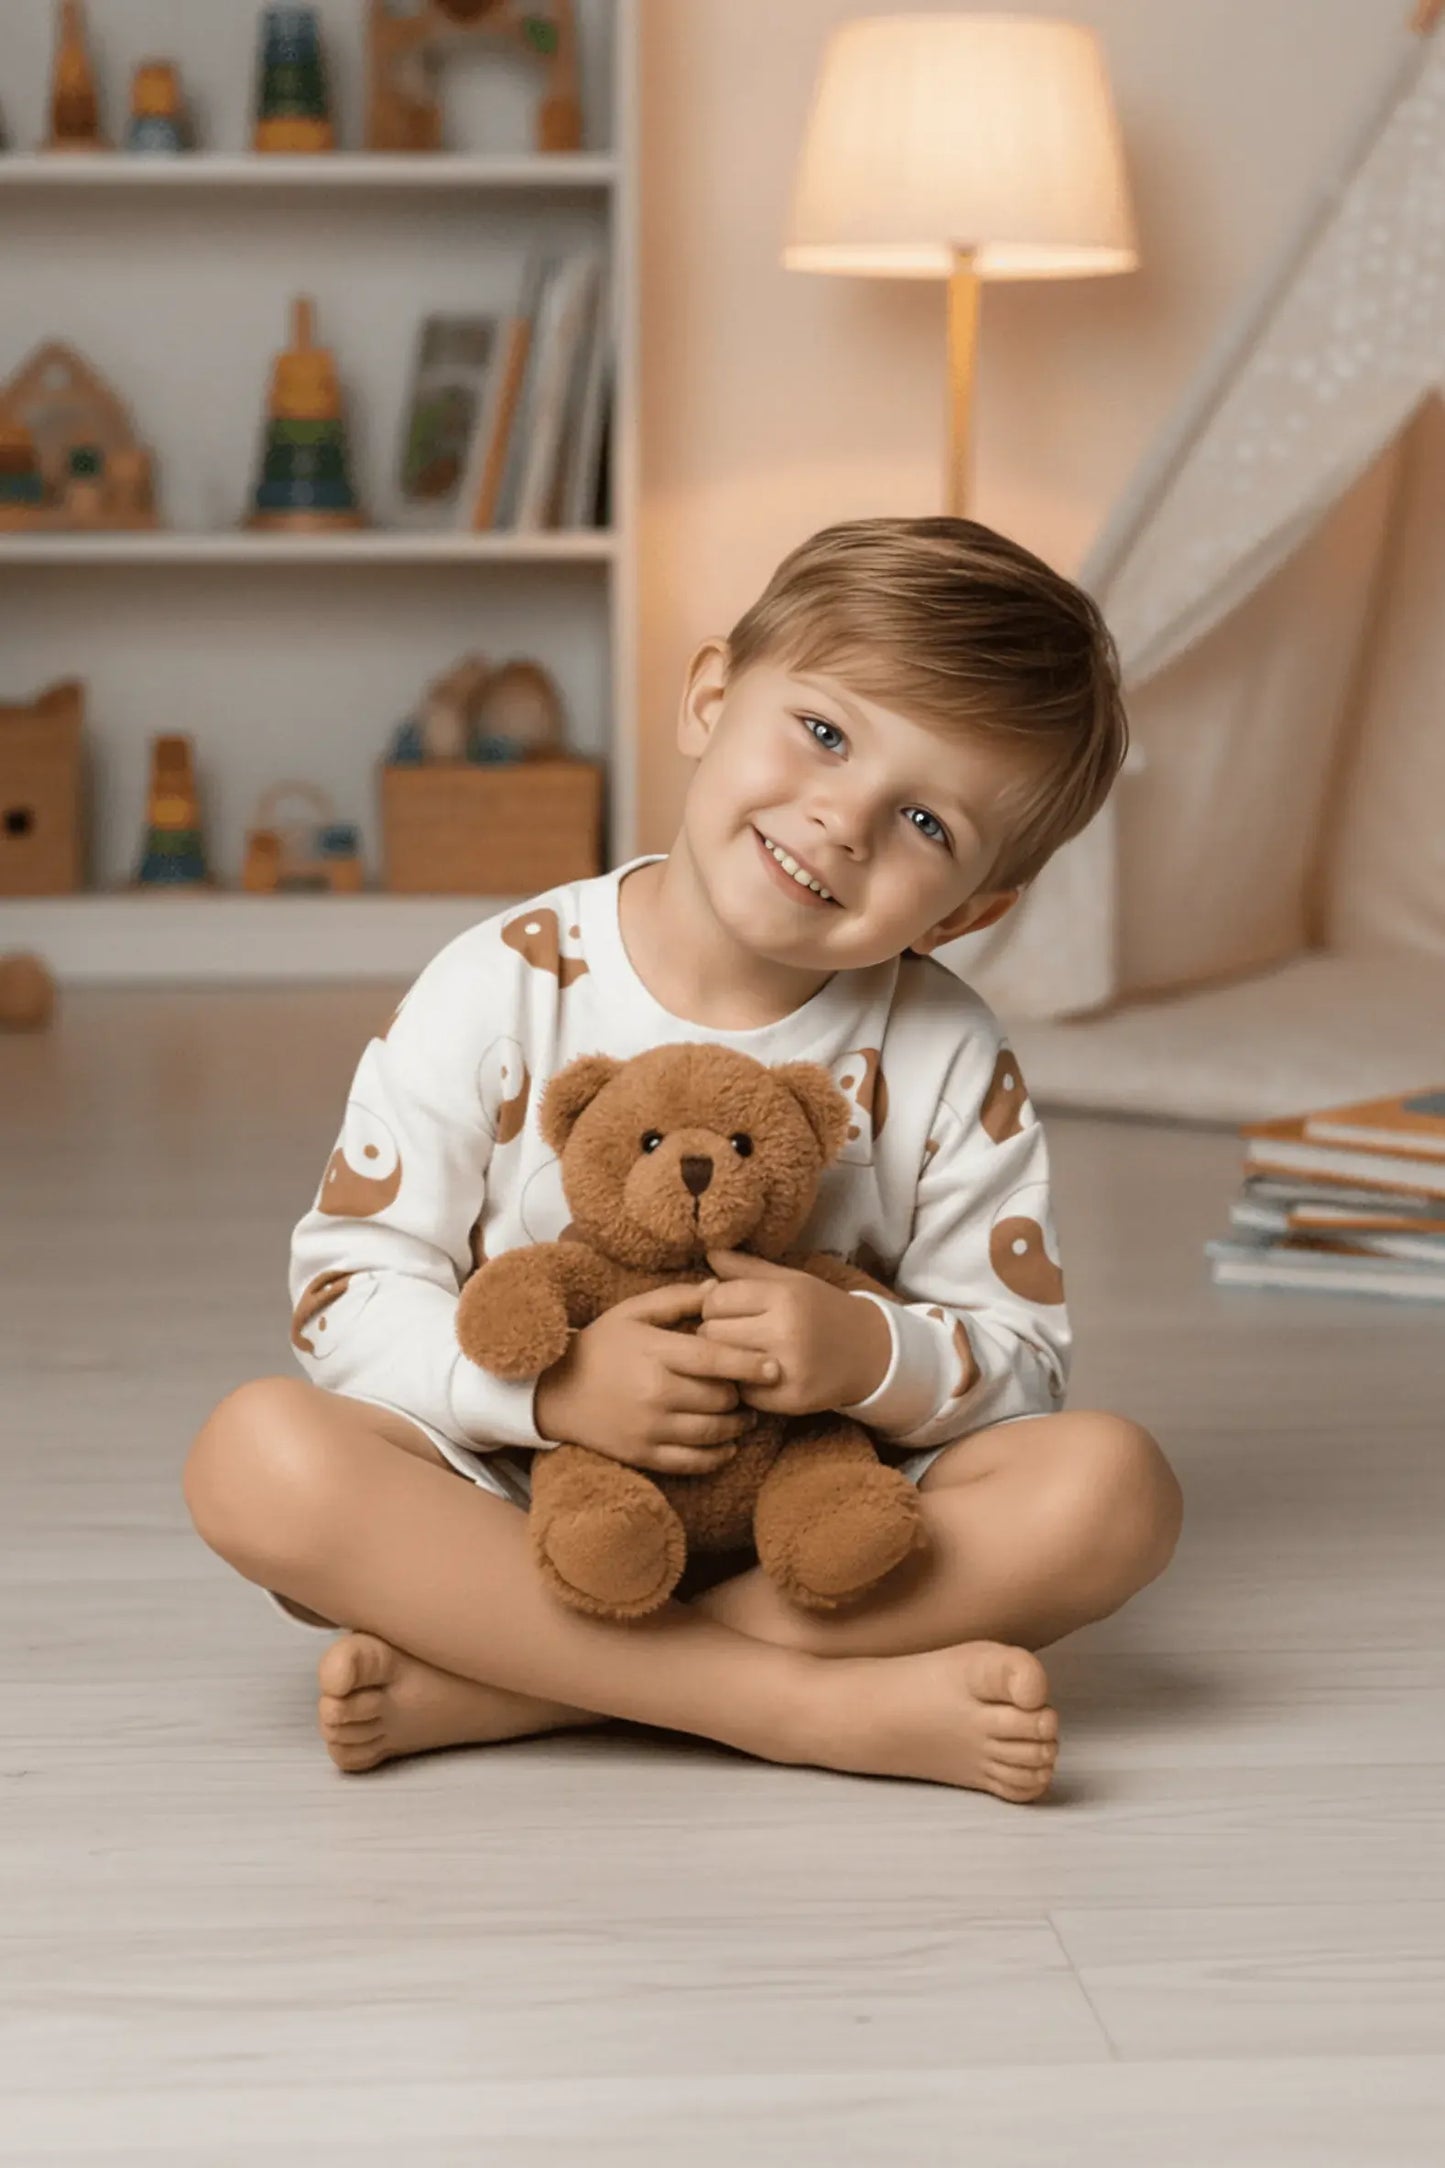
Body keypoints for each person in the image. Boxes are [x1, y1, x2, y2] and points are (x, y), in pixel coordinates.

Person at [183, 516, 1182, 1802]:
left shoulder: (942, 1048)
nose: (838, 820)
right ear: (711, 696)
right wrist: (550, 1396)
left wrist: (864, 1353)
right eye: (822, 733)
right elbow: (346, 1293)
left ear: (970, 908)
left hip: (815, 1536)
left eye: (925, 820)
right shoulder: (501, 982)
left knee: (1114, 1491)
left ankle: (523, 1683)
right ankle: (786, 1706)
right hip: (516, 1513)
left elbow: (1024, 1367)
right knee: (252, 1453)